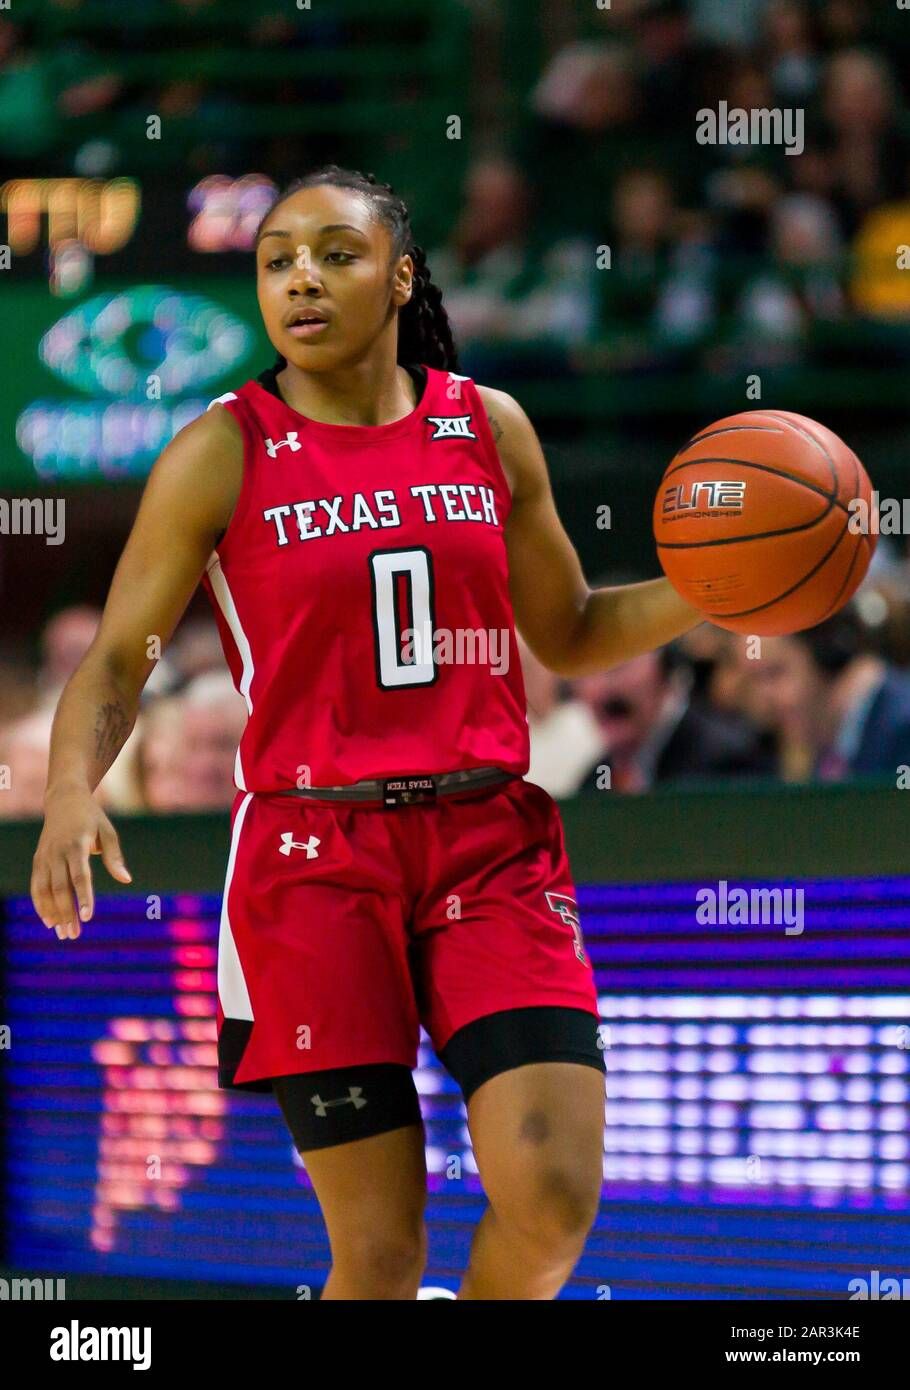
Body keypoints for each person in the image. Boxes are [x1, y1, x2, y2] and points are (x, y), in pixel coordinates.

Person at [30, 165, 703, 1300]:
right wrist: (67, 789)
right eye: (276, 260)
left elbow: (576, 629)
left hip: (489, 841)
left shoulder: (488, 426)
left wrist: (718, 587)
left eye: (334, 255)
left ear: (397, 277)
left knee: (552, 1200)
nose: (301, 278)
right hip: (313, 859)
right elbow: (117, 655)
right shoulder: (222, 447)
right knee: (382, 1254)